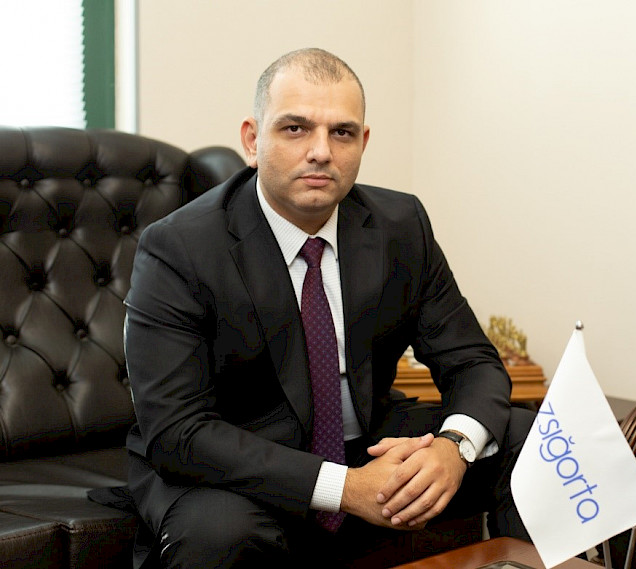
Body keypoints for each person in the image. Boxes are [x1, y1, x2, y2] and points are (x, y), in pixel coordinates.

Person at [122, 47, 534, 567]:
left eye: (341, 132)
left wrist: (453, 447)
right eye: (295, 129)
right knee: (216, 533)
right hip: (238, 460)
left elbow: (473, 361)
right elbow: (178, 430)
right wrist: (345, 488)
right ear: (252, 140)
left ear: (363, 143)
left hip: (365, 441)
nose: (321, 152)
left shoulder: (401, 224)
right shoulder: (180, 246)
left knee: (532, 440)